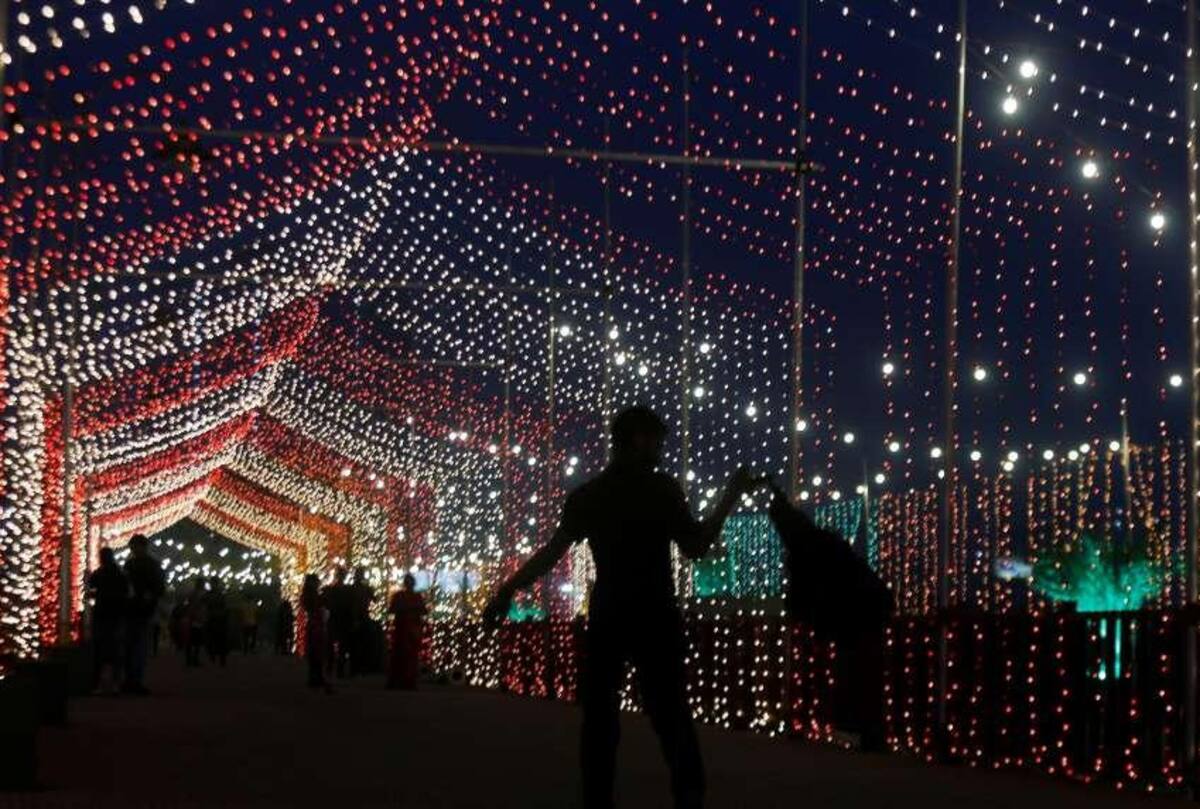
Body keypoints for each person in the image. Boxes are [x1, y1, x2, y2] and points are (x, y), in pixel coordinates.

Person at [484, 406, 756, 809]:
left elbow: (551, 553)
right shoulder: (661, 490)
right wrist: (730, 495)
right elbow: (697, 546)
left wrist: (507, 590)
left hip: (609, 614)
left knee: (599, 718)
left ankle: (597, 798)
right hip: (654, 613)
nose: (661, 449)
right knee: (670, 714)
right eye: (657, 441)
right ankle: (688, 795)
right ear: (638, 440)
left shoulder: (589, 496)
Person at [765, 478, 894, 751]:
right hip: (863, 610)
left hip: (859, 613)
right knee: (862, 675)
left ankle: (866, 732)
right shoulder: (820, 541)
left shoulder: (807, 549)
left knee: (859, 674)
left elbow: (805, 594)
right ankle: (868, 733)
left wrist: (802, 613)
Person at [122, 533, 165, 695]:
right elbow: (160, 588)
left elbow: (158, 588)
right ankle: (134, 680)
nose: (133, 550)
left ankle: (132, 680)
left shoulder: (133, 565)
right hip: (140, 610)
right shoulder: (150, 565)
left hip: (136, 610)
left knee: (134, 646)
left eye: (134, 547)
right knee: (136, 647)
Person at [86, 547, 129, 694]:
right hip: (116, 615)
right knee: (115, 650)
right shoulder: (120, 573)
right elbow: (126, 592)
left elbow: (90, 588)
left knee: (99, 651)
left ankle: (98, 684)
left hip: (102, 614)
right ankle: (116, 683)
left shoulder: (99, 573)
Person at [387, 574, 426, 690]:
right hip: (404, 628)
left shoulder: (410, 596)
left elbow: (423, 610)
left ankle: (405, 681)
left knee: (407, 655)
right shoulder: (405, 596)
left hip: (410, 629)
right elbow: (392, 609)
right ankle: (402, 681)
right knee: (403, 655)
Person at [302, 574, 333, 693]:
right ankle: (316, 677)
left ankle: (316, 676)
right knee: (317, 651)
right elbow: (316, 605)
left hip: (315, 623)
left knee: (316, 652)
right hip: (316, 624)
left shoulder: (310, 593)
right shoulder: (311, 594)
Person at [324, 567, 353, 677]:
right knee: (339, 645)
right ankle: (336, 668)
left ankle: (333, 668)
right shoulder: (344, 590)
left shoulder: (335, 589)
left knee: (337, 645)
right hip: (339, 618)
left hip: (338, 618)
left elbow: (327, 603)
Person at [350, 566, 376, 674]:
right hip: (356, 616)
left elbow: (374, 599)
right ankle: (357, 667)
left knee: (361, 641)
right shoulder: (354, 589)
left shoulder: (362, 588)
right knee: (358, 642)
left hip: (362, 615)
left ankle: (359, 666)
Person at [205, 577, 230, 666]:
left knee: (218, 638)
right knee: (216, 638)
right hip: (215, 617)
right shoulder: (218, 594)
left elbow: (224, 606)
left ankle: (219, 657)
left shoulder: (217, 594)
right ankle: (217, 657)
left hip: (217, 618)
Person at [183, 578, 208, 668]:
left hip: (194, 618)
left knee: (193, 640)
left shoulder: (193, 593)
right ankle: (193, 659)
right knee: (195, 641)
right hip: (196, 619)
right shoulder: (200, 594)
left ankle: (190, 659)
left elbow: (187, 604)